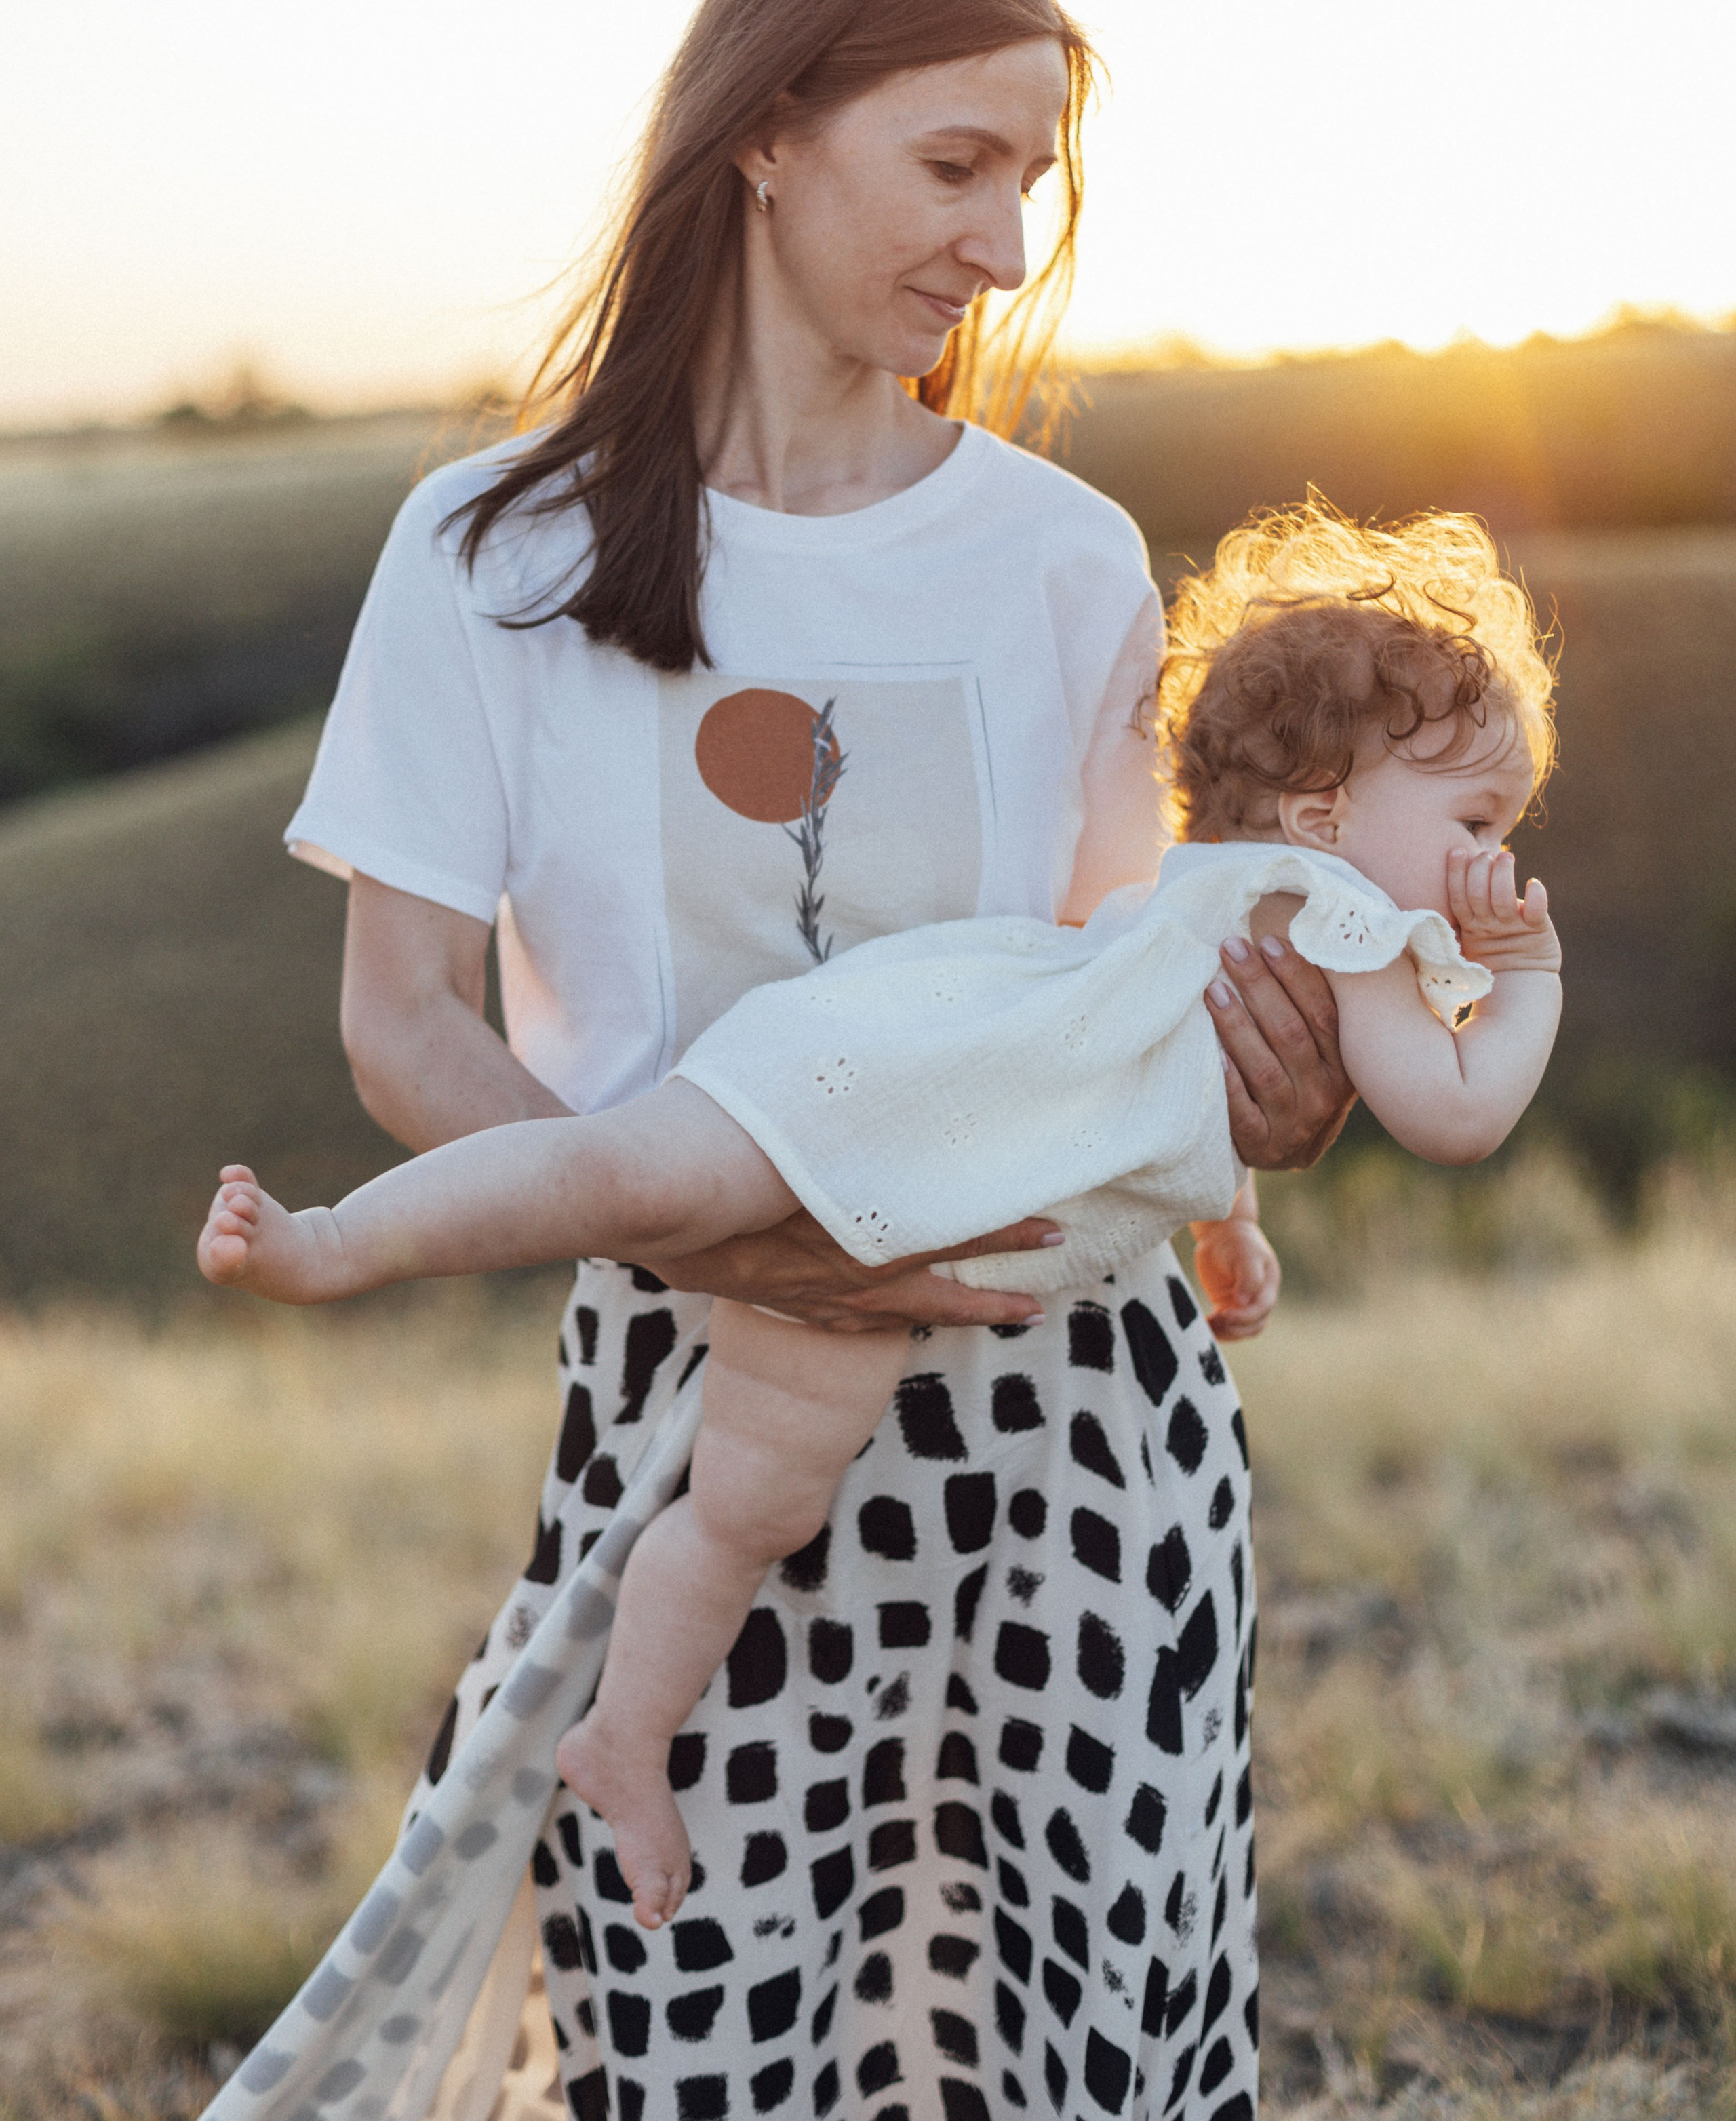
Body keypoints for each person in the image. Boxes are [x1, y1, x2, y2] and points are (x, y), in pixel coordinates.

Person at [250, 0, 1356, 2121]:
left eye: (1034, 184)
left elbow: (1119, 1009)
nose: (1006, 244)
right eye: (958, 165)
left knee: (1093, 2057)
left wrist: (1281, 1102)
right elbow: (402, 1029)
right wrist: (731, 1233)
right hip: (699, 1421)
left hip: (1080, 1427)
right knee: (701, 2045)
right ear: (765, 126)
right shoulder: (493, 557)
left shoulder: (1058, 562)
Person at [199, 500, 1562, 1947]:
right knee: (630, 1195)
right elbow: (1455, 1116)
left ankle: (623, 1742)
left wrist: (1223, 1226)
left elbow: (1177, 1070)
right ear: (1322, 815)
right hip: (913, 1138)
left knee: (737, 1492)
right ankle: (338, 1243)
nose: (1495, 859)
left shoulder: (1228, 895)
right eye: (1475, 820)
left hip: (931, 1234)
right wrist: (1520, 972)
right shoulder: (1356, 928)